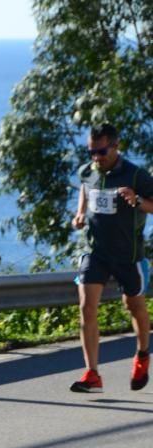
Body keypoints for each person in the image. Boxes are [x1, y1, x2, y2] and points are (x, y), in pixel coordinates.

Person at [69, 123, 153, 393]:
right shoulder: (87, 171)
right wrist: (80, 213)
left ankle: (142, 353)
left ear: (115, 146)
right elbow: (85, 187)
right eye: (91, 151)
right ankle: (92, 374)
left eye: (101, 151)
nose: (96, 157)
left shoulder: (136, 174)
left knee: (134, 307)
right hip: (96, 252)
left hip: (128, 255)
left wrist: (137, 200)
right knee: (86, 307)